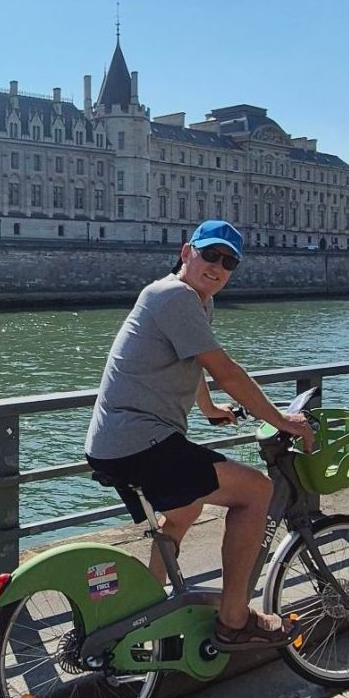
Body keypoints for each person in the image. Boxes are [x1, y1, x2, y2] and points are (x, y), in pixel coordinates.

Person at [85, 219, 315, 650]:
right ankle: (235, 619)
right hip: (139, 442)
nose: (218, 267)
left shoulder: (196, 300)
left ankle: (144, 609)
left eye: (229, 262)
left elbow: (193, 361)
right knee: (256, 491)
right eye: (210, 255)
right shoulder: (173, 295)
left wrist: (209, 410)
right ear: (186, 252)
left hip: (123, 441)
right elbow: (226, 371)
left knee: (184, 510)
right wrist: (283, 420)